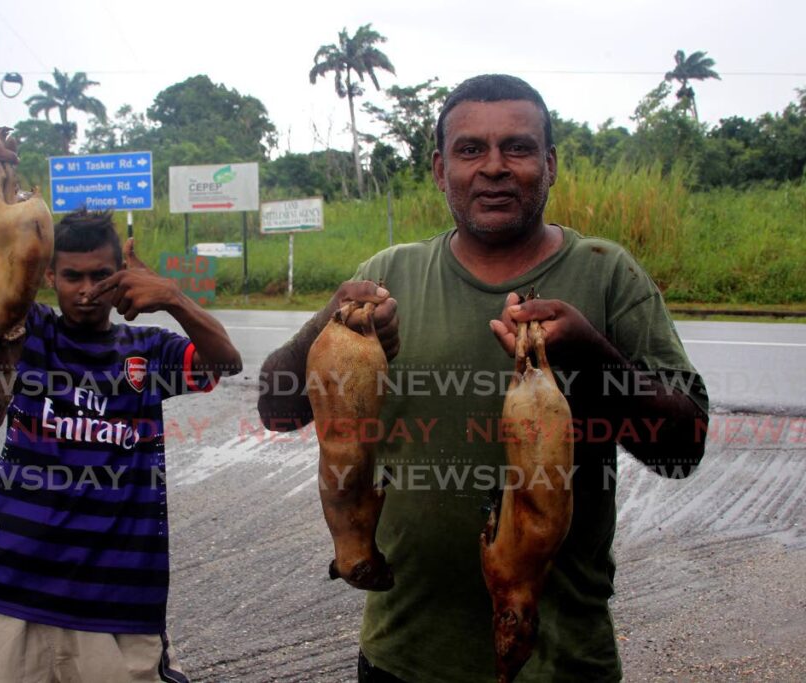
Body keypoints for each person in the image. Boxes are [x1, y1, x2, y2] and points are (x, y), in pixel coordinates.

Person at [257, 74, 708, 682]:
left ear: (549, 164)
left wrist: (592, 359)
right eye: (471, 150)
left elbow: (683, 450)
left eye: (517, 148)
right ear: (441, 170)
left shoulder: (607, 275)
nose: (493, 167)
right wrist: (330, 325)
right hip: (404, 654)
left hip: (562, 662)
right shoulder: (388, 275)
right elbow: (276, 409)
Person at [0, 141, 242, 682]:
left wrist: (174, 297)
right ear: (48, 275)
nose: (85, 292)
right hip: (7, 590)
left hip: (117, 602)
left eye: (100, 276)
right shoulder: (25, 334)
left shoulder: (147, 351)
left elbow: (226, 361)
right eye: (72, 277)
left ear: (120, 273)